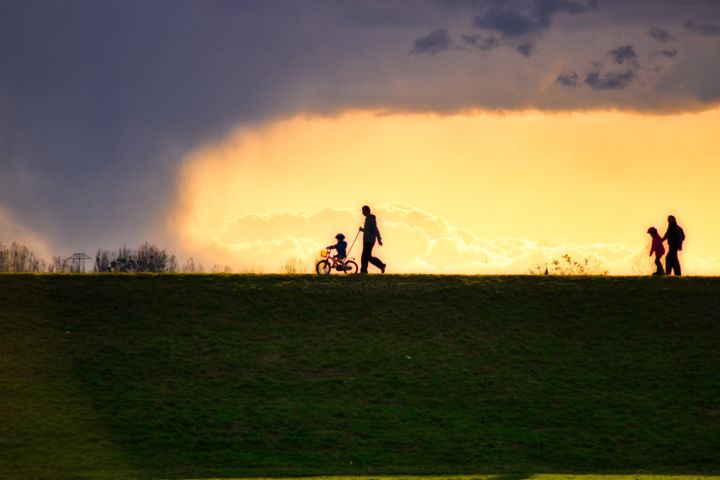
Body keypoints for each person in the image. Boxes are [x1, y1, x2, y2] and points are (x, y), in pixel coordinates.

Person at [359, 205, 386, 274]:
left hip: (369, 241)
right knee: (366, 257)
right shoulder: (368, 219)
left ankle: (380, 266)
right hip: (366, 241)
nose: (362, 213)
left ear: (367, 211)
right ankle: (364, 271)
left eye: (363, 211)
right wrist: (362, 230)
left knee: (365, 257)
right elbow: (368, 230)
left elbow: (375, 230)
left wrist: (379, 239)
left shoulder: (371, 219)